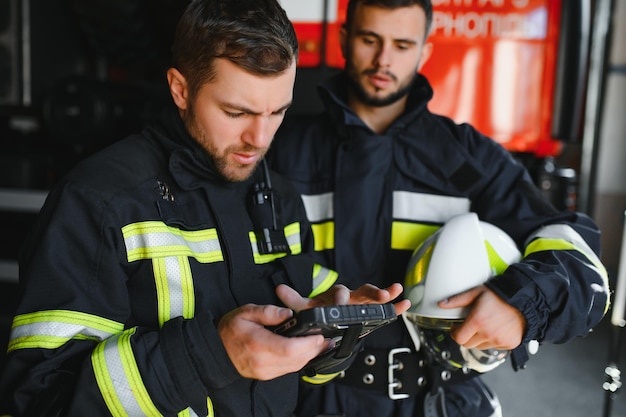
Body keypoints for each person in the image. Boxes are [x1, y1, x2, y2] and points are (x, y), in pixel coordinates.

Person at [0, 1, 409, 416]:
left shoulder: (279, 198)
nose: (259, 138)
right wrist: (212, 356)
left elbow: (296, 377)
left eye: (278, 112)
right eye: (237, 112)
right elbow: (36, 403)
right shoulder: (100, 201)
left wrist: (328, 332)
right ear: (180, 89)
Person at [267, 0, 610, 416]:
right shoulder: (280, 152)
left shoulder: (467, 160)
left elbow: (576, 252)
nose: (383, 59)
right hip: (307, 398)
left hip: (436, 401)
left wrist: (523, 303)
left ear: (425, 51)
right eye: (369, 39)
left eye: (402, 44)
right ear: (343, 39)